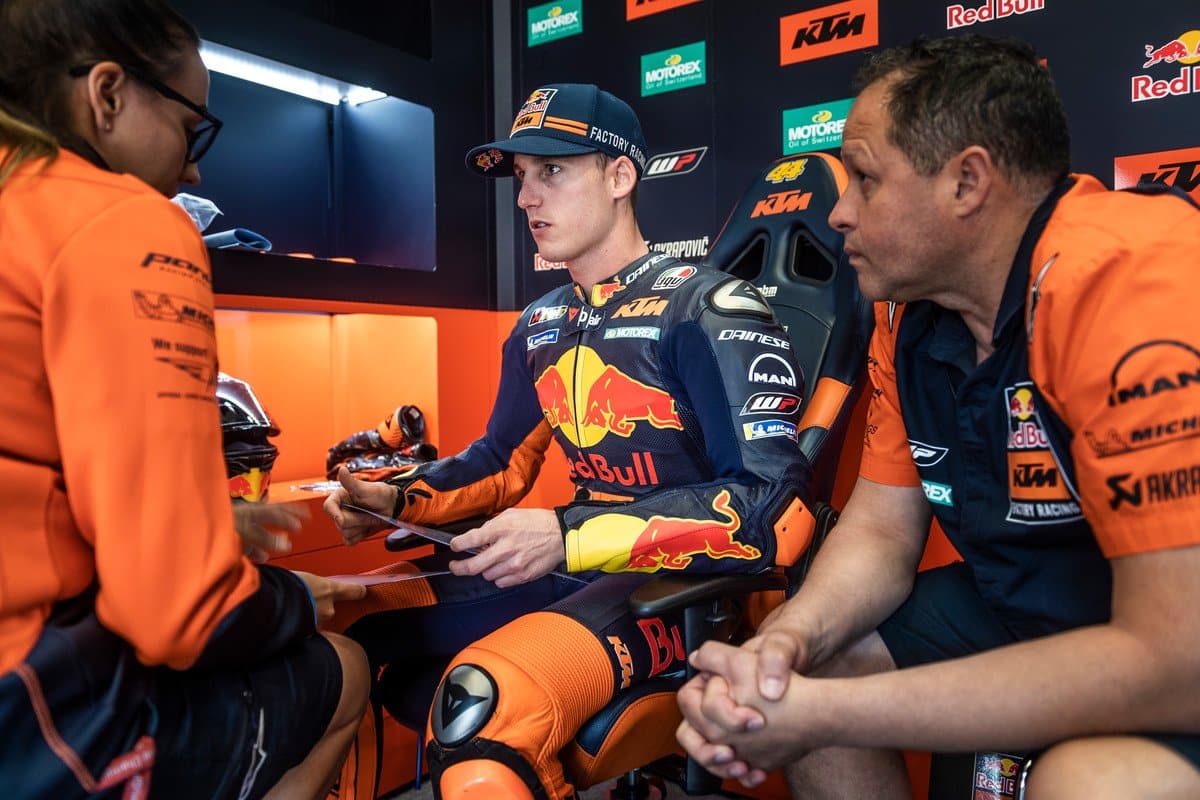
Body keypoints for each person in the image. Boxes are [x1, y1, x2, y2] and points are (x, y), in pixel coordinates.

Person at [674, 34, 1200, 800]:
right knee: (802, 676)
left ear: (967, 182)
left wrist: (826, 714)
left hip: (1171, 639)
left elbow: (1175, 659)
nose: (839, 213)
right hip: (1026, 602)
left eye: (865, 179)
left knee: (1088, 783)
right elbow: (882, 531)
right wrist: (784, 643)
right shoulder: (907, 309)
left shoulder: (1133, 277)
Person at [324, 82, 813, 799]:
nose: (526, 199)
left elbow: (771, 510)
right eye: (523, 178)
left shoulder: (706, 307)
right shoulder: (540, 324)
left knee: (485, 706)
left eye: (552, 171)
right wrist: (391, 497)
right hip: (566, 567)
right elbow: (498, 464)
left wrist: (566, 535)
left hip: (678, 591)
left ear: (620, 177)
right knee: (340, 633)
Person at [0, 1, 371, 798]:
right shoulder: (123, 220)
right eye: (190, 129)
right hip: (30, 698)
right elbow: (180, 615)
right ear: (106, 94)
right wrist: (292, 599)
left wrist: (200, 525)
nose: (195, 172)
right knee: (344, 668)